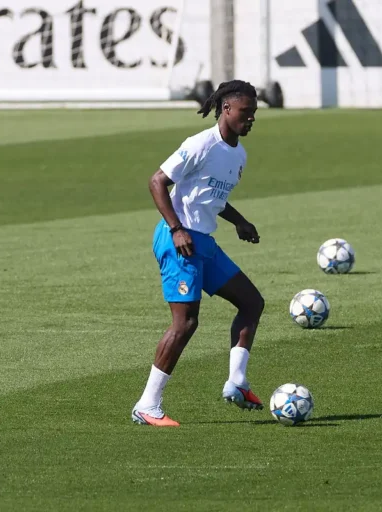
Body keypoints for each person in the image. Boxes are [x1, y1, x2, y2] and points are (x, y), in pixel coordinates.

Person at [131, 80, 266, 427]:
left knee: (252, 303)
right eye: (245, 112)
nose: (251, 119)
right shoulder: (201, 144)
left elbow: (210, 198)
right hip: (180, 239)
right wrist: (176, 229)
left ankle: (237, 382)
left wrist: (240, 221)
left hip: (203, 241)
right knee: (186, 322)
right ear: (226, 109)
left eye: (254, 114)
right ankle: (147, 405)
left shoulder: (238, 154)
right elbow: (157, 181)